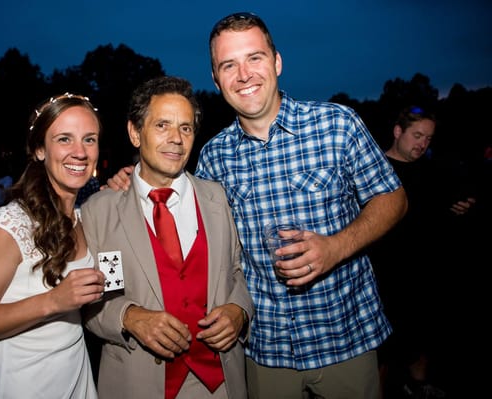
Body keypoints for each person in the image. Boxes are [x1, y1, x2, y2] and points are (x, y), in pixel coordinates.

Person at [106, 12, 407, 399]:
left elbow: (393, 199)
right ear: (216, 80)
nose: (244, 74)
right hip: (265, 352)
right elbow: (169, 192)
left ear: (277, 61)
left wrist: (335, 247)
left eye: (255, 58)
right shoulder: (214, 157)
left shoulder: (337, 125)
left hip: (344, 339)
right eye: (228, 65)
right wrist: (127, 181)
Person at [80, 76, 253, 399]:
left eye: (185, 128)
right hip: (139, 381)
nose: (176, 139)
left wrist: (238, 311)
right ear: (135, 133)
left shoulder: (217, 198)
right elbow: (94, 297)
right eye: (162, 125)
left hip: (220, 383)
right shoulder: (101, 211)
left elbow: (235, 271)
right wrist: (128, 317)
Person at [0, 92, 106, 399]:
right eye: (64, 139)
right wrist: (53, 302)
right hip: (25, 388)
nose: (80, 152)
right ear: (39, 150)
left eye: (89, 139)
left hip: (77, 383)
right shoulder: (9, 226)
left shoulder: (84, 217)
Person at [370, 106, 475, 399]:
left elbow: (448, 200)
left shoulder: (432, 171)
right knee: (383, 351)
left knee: (422, 337)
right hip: (384, 274)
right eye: (417, 135)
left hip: (425, 271)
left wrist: (460, 205)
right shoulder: (374, 168)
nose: (423, 143)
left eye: (428, 138)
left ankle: (419, 387)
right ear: (397, 132)